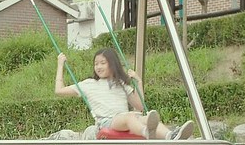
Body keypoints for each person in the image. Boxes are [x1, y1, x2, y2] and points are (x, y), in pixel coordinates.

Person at [55, 48, 194, 140]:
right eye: (96, 63)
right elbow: (59, 90)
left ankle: (171, 136)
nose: (98, 67)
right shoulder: (88, 84)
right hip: (107, 122)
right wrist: (61, 65)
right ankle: (146, 133)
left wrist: (139, 82)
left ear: (112, 64)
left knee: (146, 117)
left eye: (103, 63)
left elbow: (140, 106)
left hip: (126, 120)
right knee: (130, 117)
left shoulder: (121, 84)